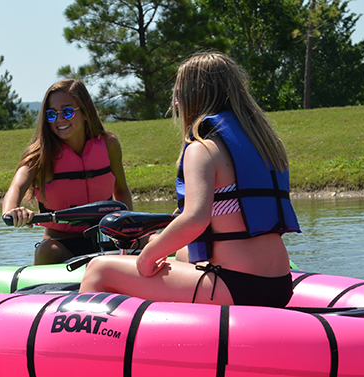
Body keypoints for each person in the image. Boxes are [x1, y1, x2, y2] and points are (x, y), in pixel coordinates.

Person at [79, 52, 301, 307]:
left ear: (190, 98)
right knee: (183, 254)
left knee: (99, 269)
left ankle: (83, 344)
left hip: (238, 287)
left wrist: (147, 257)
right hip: (279, 284)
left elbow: (195, 219)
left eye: (176, 96)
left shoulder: (203, 148)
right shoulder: (266, 147)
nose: (175, 104)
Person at [1, 79, 132, 265]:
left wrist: (129, 231)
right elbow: (16, 186)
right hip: (61, 245)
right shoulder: (40, 155)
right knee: (46, 251)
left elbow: (122, 191)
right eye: (52, 114)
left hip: (107, 237)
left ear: (85, 112)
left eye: (68, 111)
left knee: (156, 240)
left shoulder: (109, 144)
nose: (60, 119)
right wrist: (12, 211)